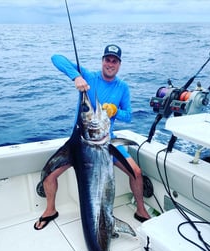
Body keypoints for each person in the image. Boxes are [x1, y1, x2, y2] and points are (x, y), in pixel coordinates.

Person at [34, 44, 150, 230]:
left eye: (114, 61)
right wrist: (76, 76)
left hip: (106, 142)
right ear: (102, 61)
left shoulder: (122, 87)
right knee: (48, 175)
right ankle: (50, 210)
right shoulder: (89, 77)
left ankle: (141, 210)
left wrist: (114, 111)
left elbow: (128, 116)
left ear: (119, 64)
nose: (110, 64)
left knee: (136, 172)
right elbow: (56, 58)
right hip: (79, 143)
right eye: (107, 59)